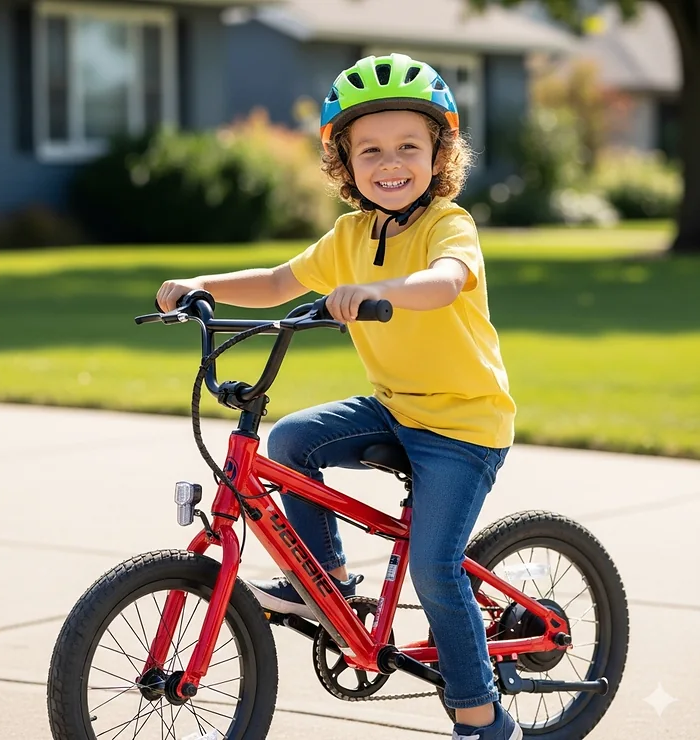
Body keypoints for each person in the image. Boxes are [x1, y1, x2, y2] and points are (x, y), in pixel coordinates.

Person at [157, 53, 519, 740]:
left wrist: (382, 293)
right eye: (371, 149)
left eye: (409, 147)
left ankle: (482, 716)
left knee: (435, 568)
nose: (391, 163)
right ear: (344, 163)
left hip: (464, 425)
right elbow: (275, 281)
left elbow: (446, 280)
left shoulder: (449, 224)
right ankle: (322, 580)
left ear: (439, 154)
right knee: (291, 439)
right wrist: (199, 284)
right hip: (397, 405)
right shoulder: (351, 235)